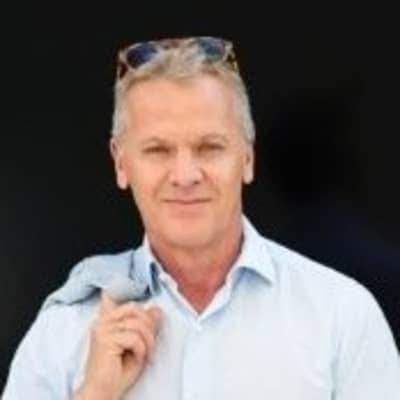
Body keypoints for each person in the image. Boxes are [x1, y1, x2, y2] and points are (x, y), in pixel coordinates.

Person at [2, 36, 399, 399]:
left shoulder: (341, 316)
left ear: (248, 157)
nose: (185, 175)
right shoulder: (66, 330)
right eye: (158, 150)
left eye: (209, 147)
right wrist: (95, 395)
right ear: (121, 164)